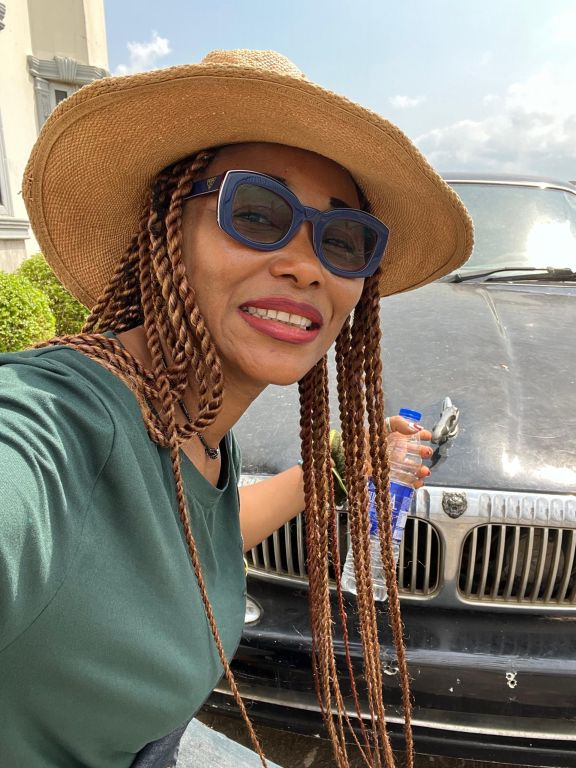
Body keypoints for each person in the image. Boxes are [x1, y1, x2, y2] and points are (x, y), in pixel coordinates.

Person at [1, 49, 473, 768]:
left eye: (343, 240)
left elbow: (180, 541)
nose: (306, 264)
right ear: (165, 230)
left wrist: (338, 465)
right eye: (255, 213)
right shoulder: (52, 423)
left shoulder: (194, 431)